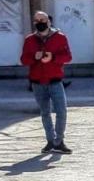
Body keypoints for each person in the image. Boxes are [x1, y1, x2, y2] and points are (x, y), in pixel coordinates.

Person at [20, 11, 73, 154]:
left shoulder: (60, 38)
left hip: (55, 80)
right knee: (45, 112)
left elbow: (68, 57)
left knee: (61, 111)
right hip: (38, 82)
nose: (40, 22)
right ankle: (50, 141)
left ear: (49, 21)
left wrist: (53, 57)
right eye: (36, 20)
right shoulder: (30, 40)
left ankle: (59, 140)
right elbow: (24, 60)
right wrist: (34, 57)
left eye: (42, 19)